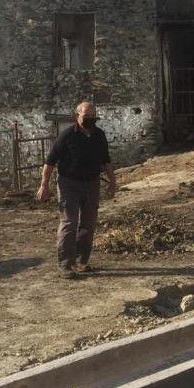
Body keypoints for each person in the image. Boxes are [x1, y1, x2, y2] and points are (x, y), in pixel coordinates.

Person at [36, 101, 116, 279]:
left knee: (88, 223)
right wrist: (44, 185)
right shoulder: (66, 136)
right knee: (69, 223)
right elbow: (50, 162)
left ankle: (81, 261)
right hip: (68, 184)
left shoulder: (99, 136)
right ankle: (65, 264)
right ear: (77, 116)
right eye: (86, 116)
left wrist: (113, 182)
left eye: (93, 117)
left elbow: (106, 160)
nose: (90, 119)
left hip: (92, 183)